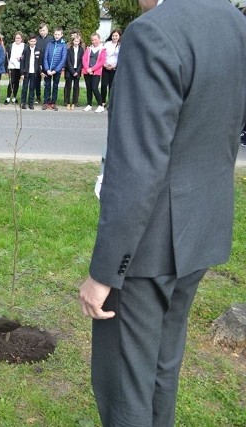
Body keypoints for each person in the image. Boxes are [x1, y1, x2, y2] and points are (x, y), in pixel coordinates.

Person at [78, 1, 246, 426]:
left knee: (124, 387)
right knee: (160, 369)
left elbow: (136, 165)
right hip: (201, 228)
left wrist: (103, 274)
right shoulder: (233, 21)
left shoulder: (152, 32)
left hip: (147, 246)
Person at [41, 28, 67, 111]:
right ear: (54, 34)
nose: (57, 36)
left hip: (57, 70)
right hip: (48, 70)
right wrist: (47, 69)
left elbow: (63, 59)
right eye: (55, 34)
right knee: (47, 86)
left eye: (58, 34)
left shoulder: (63, 45)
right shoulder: (49, 44)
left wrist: (55, 70)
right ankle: (46, 102)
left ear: (61, 35)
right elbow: (45, 57)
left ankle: (53, 102)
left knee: (55, 86)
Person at [81, 33, 106, 113]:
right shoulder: (88, 49)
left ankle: (100, 105)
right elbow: (84, 59)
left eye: (95, 39)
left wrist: (92, 69)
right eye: (92, 40)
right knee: (89, 89)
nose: (94, 41)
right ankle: (89, 104)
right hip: (87, 71)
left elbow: (102, 62)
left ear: (99, 39)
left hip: (96, 72)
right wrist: (88, 69)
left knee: (94, 88)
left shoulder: (103, 49)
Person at [20, 33, 42, 110]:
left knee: (32, 88)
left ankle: (31, 103)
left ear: (36, 41)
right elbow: (22, 62)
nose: (32, 42)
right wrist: (22, 73)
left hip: (34, 72)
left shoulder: (38, 50)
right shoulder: (26, 49)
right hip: (26, 72)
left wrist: (40, 72)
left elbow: (39, 63)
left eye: (34, 41)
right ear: (29, 41)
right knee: (25, 88)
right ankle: (23, 103)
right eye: (31, 41)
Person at [100, 29, 121, 109]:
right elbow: (102, 55)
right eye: (113, 35)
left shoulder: (121, 45)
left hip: (115, 68)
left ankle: (110, 103)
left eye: (116, 36)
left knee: (112, 86)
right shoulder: (107, 44)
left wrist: (114, 66)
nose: (114, 37)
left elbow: (121, 57)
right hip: (105, 67)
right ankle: (102, 102)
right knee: (104, 85)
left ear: (119, 36)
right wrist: (105, 64)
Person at [64, 34, 83, 110]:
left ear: (79, 42)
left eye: (77, 41)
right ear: (72, 41)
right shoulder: (69, 49)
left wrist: (77, 71)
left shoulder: (81, 50)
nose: (76, 42)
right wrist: (72, 71)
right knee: (68, 87)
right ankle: (67, 102)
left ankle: (75, 102)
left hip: (77, 70)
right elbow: (68, 61)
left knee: (76, 87)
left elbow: (81, 62)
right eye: (75, 41)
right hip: (69, 70)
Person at [5, 32, 25, 105]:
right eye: (16, 38)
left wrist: (21, 58)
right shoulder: (10, 46)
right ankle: (7, 98)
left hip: (20, 67)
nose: (17, 39)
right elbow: (6, 57)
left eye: (19, 38)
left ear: (21, 39)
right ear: (14, 38)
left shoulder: (24, 46)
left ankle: (14, 98)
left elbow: (25, 56)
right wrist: (6, 69)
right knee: (11, 82)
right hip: (11, 66)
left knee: (16, 82)